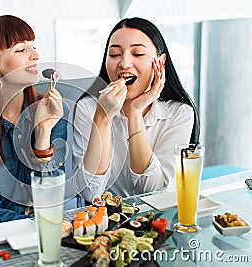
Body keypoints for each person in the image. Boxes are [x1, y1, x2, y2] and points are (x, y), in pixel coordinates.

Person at [72, 17, 199, 201]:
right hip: (107, 222)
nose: (124, 63)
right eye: (114, 54)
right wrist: (102, 118)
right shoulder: (88, 108)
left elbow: (155, 192)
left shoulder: (180, 113)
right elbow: (91, 192)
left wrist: (135, 113)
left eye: (138, 54)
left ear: (160, 62)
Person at [0, 15, 69, 227]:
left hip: (46, 232)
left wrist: (42, 135)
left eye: (34, 47)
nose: (36, 56)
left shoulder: (53, 110)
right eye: (21, 50)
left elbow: (51, 200)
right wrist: (40, 224)